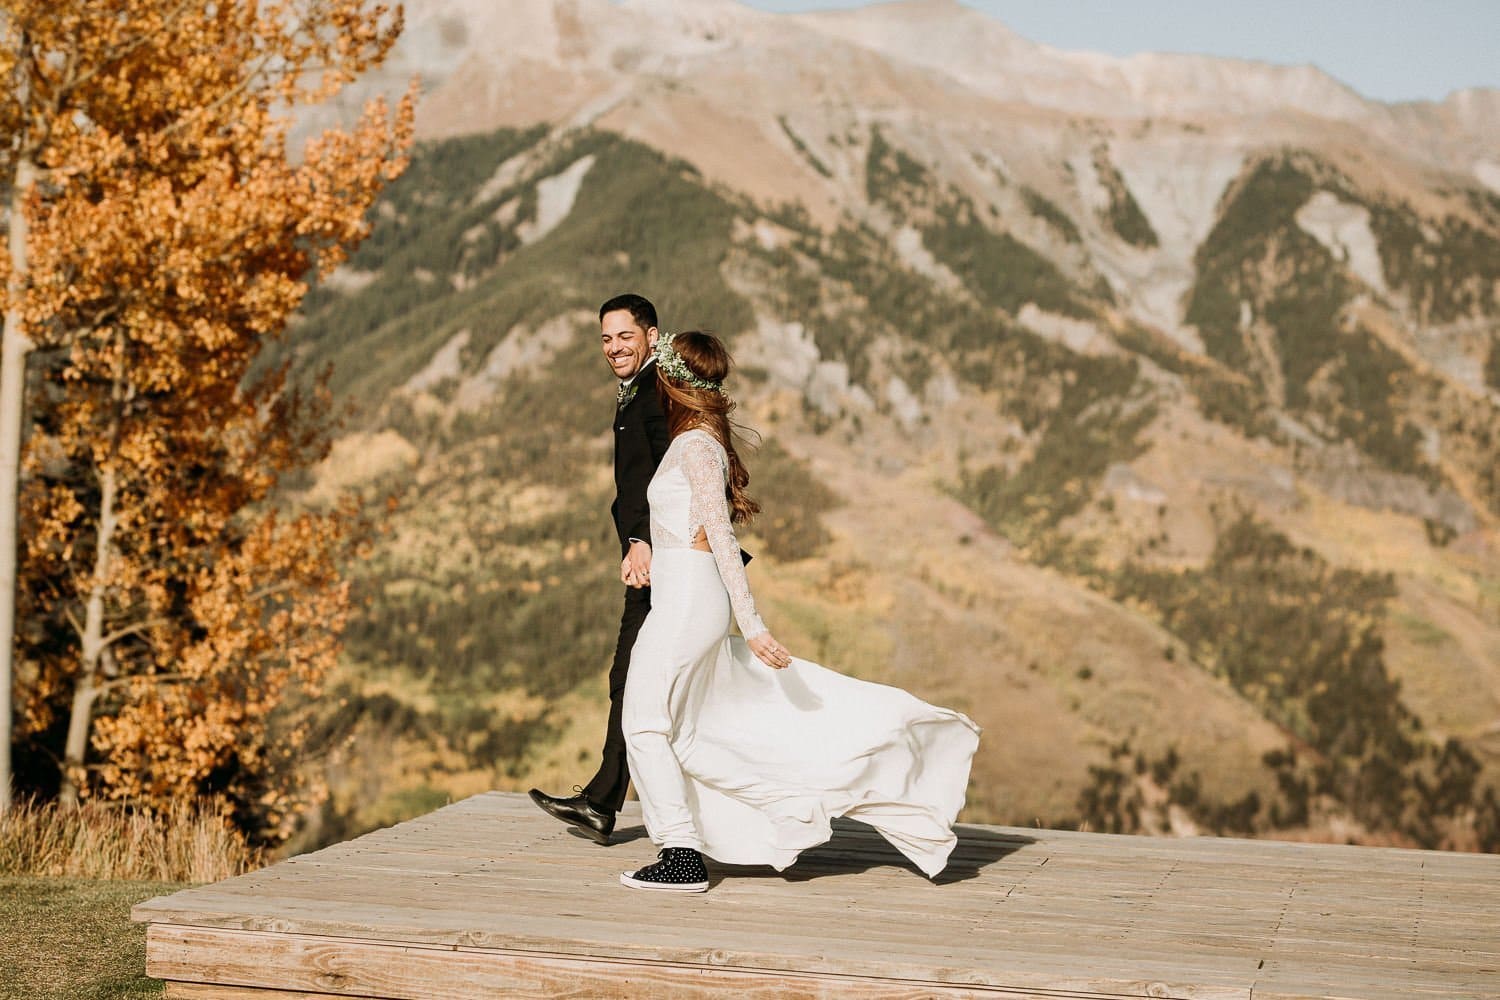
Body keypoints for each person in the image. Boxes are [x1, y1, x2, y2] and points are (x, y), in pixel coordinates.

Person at [618, 330, 981, 893]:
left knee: (643, 723)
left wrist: (753, 625)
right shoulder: (697, 439)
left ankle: (680, 855)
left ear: (670, 380)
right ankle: (793, 808)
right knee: (682, 733)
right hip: (682, 593)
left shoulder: (695, 447)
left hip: (688, 600)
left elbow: (720, 538)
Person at [528, 293, 668, 844]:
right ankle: (602, 801)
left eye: (625, 336)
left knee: (636, 679)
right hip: (646, 561)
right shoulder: (639, 389)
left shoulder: (659, 391)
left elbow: (676, 474)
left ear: (651, 336)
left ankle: (607, 802)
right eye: (606, 339)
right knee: (629, 679)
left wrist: (644, 540)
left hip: (662, 562)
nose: (613, 348)